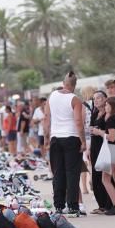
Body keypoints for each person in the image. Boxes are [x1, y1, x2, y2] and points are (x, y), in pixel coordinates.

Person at [43, 71, 87, 217]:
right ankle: (73, 207)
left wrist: (46, 139)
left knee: (58, 173)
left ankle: (59, 206)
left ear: (63, 83)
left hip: (55, 138)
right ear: (74, 85)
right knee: (72, 173)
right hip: (72, 138)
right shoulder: (75, 99)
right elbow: (78, 122)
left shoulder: (52, 96)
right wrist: (83, 141)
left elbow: (46, 118)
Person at [87, 90, 113, 214]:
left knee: (105, 175)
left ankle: (109, 204)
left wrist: (99, 132)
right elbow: (92, 130)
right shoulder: (95, 112)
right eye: (94, 98)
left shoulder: (108, 114)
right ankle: (101, 204)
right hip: (95, 146)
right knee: (95, 175)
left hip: (105, 147)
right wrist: (89, 148)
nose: (95, 100)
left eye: (98, 98)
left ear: (105, 99)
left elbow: (110, 133)